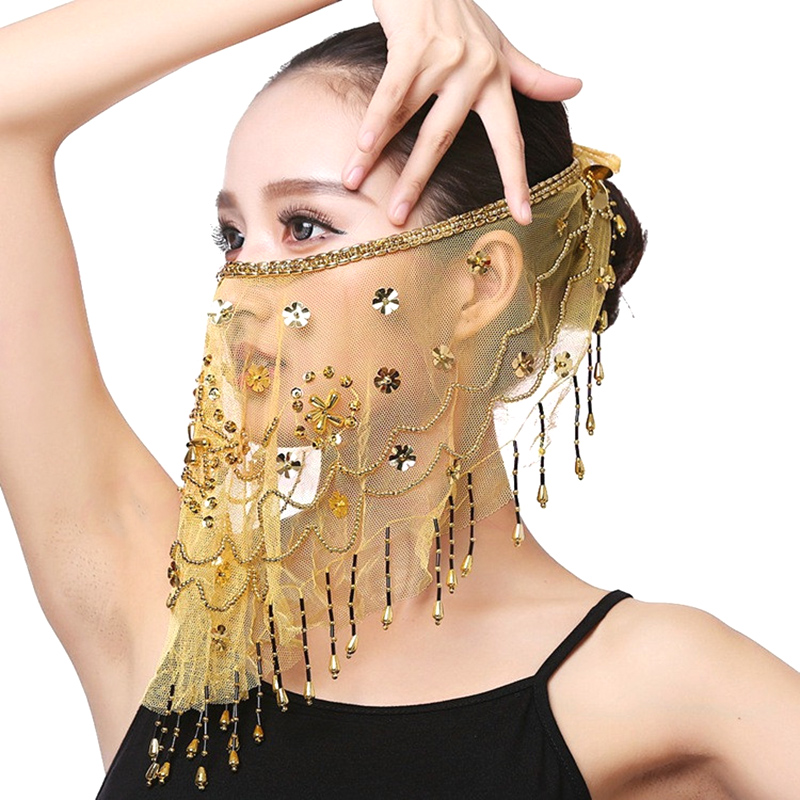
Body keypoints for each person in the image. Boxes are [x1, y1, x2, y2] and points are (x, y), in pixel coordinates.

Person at [1, 2, 798, 799]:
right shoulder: (168, 610)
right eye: (233, 237)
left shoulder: (654, 687)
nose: (243, 288)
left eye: (305, 226)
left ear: (479, 282)